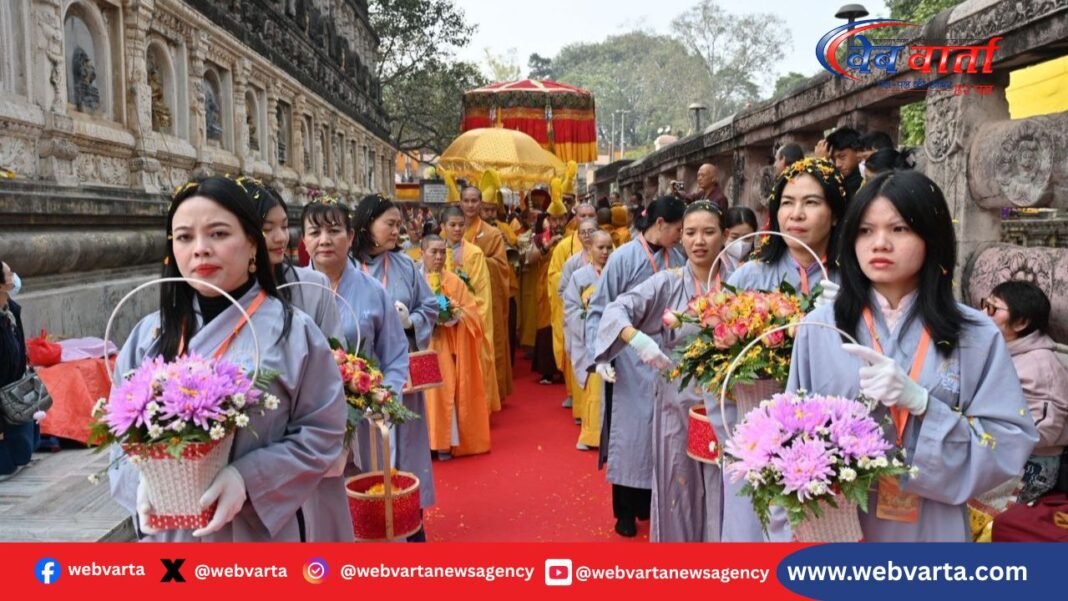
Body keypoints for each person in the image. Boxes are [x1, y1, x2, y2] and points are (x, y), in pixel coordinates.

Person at [789, 170, 1038, 541]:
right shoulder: (820, 327)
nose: (880, 243)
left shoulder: (974, 333)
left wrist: (924, 405)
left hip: (932, 524)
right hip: (839, 525)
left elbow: (1008, 443)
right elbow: (791, 435)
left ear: (930, 237)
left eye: (899, 229)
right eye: (865, 230)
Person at [109, 176, 351, 541]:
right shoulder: (149, 336)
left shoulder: (293, 332)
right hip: (172, 534)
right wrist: (141, 480)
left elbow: (324, 431)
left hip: (260, 535)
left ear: (252, 242)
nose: (200, 249)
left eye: (218, 234)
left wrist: (247, 478)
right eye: (185, 237)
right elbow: (118, 434)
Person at [721, 157, 845, 541]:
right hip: (758, 435)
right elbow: (718, 363)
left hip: (830, 441)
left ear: (835, 213)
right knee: (750, 534)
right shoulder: (749, 276)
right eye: (787, 202)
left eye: (811, 202)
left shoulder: (854, 281)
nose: (796, 214)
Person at [596, 201, 733, 541]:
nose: (699, 241)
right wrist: (636, 338)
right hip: (678, 403)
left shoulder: (741, 280)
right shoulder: (667, 283)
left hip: (729, 402)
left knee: (728, 490)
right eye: (690, 232)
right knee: (678, 488)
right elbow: (615, 310)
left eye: (708, 232)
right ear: (680, 236)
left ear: (724, 235)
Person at [587, 195, 686, 537]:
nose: (682, 236)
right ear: (660, 224)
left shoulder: (679, 258)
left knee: (663, 431)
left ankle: (651, 502)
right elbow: (600, 309)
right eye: (679, 229)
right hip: (629, 353)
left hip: (666, 352)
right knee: (631, 434)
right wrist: (601, 356)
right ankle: (625, 510)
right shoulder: (623, 257)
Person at [349, 194, 439, 533]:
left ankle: (409, 522)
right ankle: (366, 522)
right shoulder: (346, 267)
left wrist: (410, 321)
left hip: (401, 377)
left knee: (406, 450)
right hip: (356, 380)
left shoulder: (405, 265)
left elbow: (429, 306)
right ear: (366, 224)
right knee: (365, 452)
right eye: (390, 223)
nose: (396, 231)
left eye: (399, 225)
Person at [985, 281, 1068, 502]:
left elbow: (1043, 432)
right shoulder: (1002, 349)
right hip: (998, 448)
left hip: (1031, 465)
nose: (983, 313)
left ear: (1021, 322)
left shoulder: (1040, 367)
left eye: (993, 308)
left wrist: (982, 426)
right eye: (984, 304)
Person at [237, 177, 342, 340]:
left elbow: (337, 351)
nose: (280, 237)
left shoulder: (314, 287)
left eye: (284, 226)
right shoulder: (219, 291)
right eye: (267, 229)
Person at [419, 235, 491, 458]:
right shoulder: (414, 281)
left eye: (442, 252)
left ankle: (443, 443)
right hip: (420, 347)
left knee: (442, 392)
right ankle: (424, 445)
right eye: (433, 252)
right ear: (422, 253)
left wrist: (453, 315)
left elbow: (471, 312)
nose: (439, 257)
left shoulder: (454, 281)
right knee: (422, 397)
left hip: (444, 347)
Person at [441, 205, 500, 413]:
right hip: (442, 321)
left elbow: (481, 292)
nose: (457, 229)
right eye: (452, 225)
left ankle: (473, 412)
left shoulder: (474, 254)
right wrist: (443, 308)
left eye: (461, 225)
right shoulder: (437, 252)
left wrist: (460, 310)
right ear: (443, 227)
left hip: (466, 319)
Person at [460, 185, 512, 402]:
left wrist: (477, 261)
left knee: (490, 341)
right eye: (466, 201)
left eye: (474, 201)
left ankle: (491, 393)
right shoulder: (451, 230)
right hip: (457, 298)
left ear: (480, 203)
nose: (470, 205)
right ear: (460, 203)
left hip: (485, 296)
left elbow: (502, 267)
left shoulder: (492, 234)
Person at [563, 229, 614, 451]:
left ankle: (613, 437)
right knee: (594, 388)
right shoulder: (579, 277)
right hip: (589, 340)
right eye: (600, 247)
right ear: (590, 249)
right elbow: (570, 308)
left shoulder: (616, 273)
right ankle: (591, 436)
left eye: (609, 247)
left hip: (614, 339)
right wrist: (588, 321)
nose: (605, 252)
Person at [549, 202, 597, 411]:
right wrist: (577, 293)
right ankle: (575, 398)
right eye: (582, 216)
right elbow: (554, 277)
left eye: (590, 215)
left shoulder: (607, 247)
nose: (586, 219)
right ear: (575, 218)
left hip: (600, 315)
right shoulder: (564, 247)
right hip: (576, 312)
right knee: (576, 353)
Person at [1, 260, 38, 481]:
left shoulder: (11, 312)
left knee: (24, 452)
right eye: (9, 274)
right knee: (8, 463)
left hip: (16, 395)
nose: (14, 277)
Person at [817, 127, 863, 200]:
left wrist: (820, 162)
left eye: (842, 157)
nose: (837, 164)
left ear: (858, 151)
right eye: (833, 159)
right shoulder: (840, 181)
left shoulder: (865, 179)